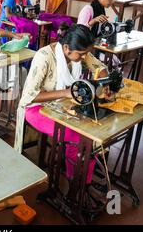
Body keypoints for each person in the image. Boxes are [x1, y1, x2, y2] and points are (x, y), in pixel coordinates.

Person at [14, 24, 108, 185]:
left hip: (63, 103)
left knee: (95, 128)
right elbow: (29, 96)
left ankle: (82, 164)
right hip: (37, 108)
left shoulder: (80, 52)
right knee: (78, 135)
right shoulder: (44, 56)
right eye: (81, 54)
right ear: (66, 48)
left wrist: (105, 83)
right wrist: (65, 93)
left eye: (86, 54)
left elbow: (100, 67)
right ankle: (77, 181)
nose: (84, 57)